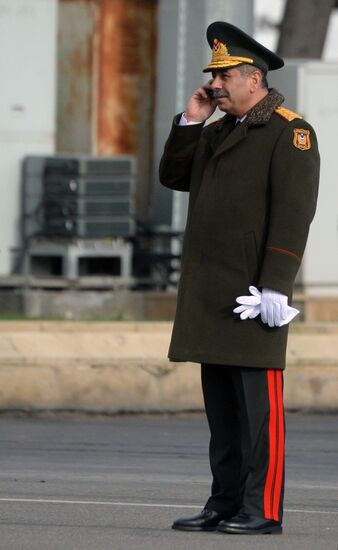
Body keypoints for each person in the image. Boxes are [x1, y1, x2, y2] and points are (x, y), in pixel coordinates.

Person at [159, 21, 320, 535]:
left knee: (258, 418)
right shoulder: (218, 130)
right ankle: (225, 501)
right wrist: (190, 119)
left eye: (225, 77)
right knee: (225, 417)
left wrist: (276, 284)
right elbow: (174, 177)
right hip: (212, 294)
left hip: (254, 294)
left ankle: (262, 509)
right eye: (214, 77)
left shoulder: (289, 132)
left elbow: (294, 213)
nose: (216, 85)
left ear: (255, 79)